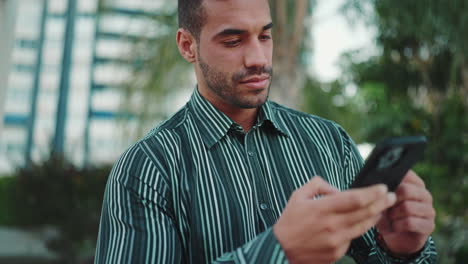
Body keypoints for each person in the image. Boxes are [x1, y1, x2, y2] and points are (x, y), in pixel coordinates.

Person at [95, 0, 437, 263]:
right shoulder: (146, 169)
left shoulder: (330, 143)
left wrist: (405, 250)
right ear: (187, 45)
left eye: (265, 36)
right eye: (233, 41)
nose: (258, 58)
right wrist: (279, 250)